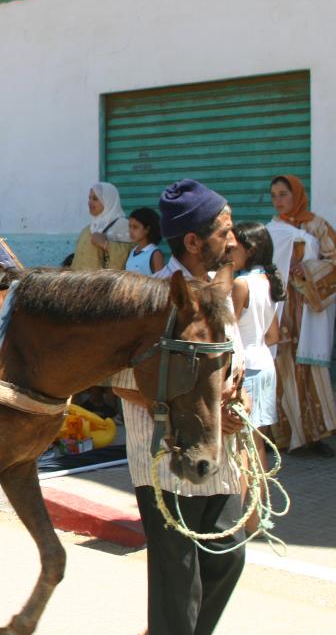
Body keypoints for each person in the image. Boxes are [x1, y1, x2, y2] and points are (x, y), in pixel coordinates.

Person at [114, 178, 245, 635]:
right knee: (178, 581)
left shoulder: (215, 289)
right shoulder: (150, 297)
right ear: (192, 241)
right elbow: (121, 382)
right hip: (166, 458)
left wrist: (235, 393)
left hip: (220, 451)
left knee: (228, 555)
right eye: (222, 231)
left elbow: (230, 363)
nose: (232, 240)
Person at [266, 174, 336, 456]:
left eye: (283, 194)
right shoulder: (272, 229)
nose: (278, 201)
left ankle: (312, 437)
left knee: (307, 372)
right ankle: (278, 436)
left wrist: (307, 271)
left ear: (296, 195)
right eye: (273, 195)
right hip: (280, 309)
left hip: (308, 309)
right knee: (280, 369)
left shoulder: (318, 225)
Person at [231, 221, 284, 533]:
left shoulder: (242, 285)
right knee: (257, 444)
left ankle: (240, 518)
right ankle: (258, 517)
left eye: (233, 245)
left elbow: (229, 332)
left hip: (245, 368)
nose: (228, 250)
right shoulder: (268, 281)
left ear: (248, 249)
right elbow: (274, 335)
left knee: (241, 449)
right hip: (264, 364)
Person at [72, 182, 132, 271]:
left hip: (106, 283)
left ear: (108, 200)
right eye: (89, 198)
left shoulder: (124, 226)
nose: (89, 202)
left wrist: (106, 245)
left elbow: (133, 255)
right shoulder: (88, 229)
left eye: (95, 199)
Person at [125, 207, 165, 276]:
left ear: (147, 229)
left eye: (135, 227)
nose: (130, 231)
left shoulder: (155, 254)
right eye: (130, 226)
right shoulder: (133, 251)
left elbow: (160, 283)